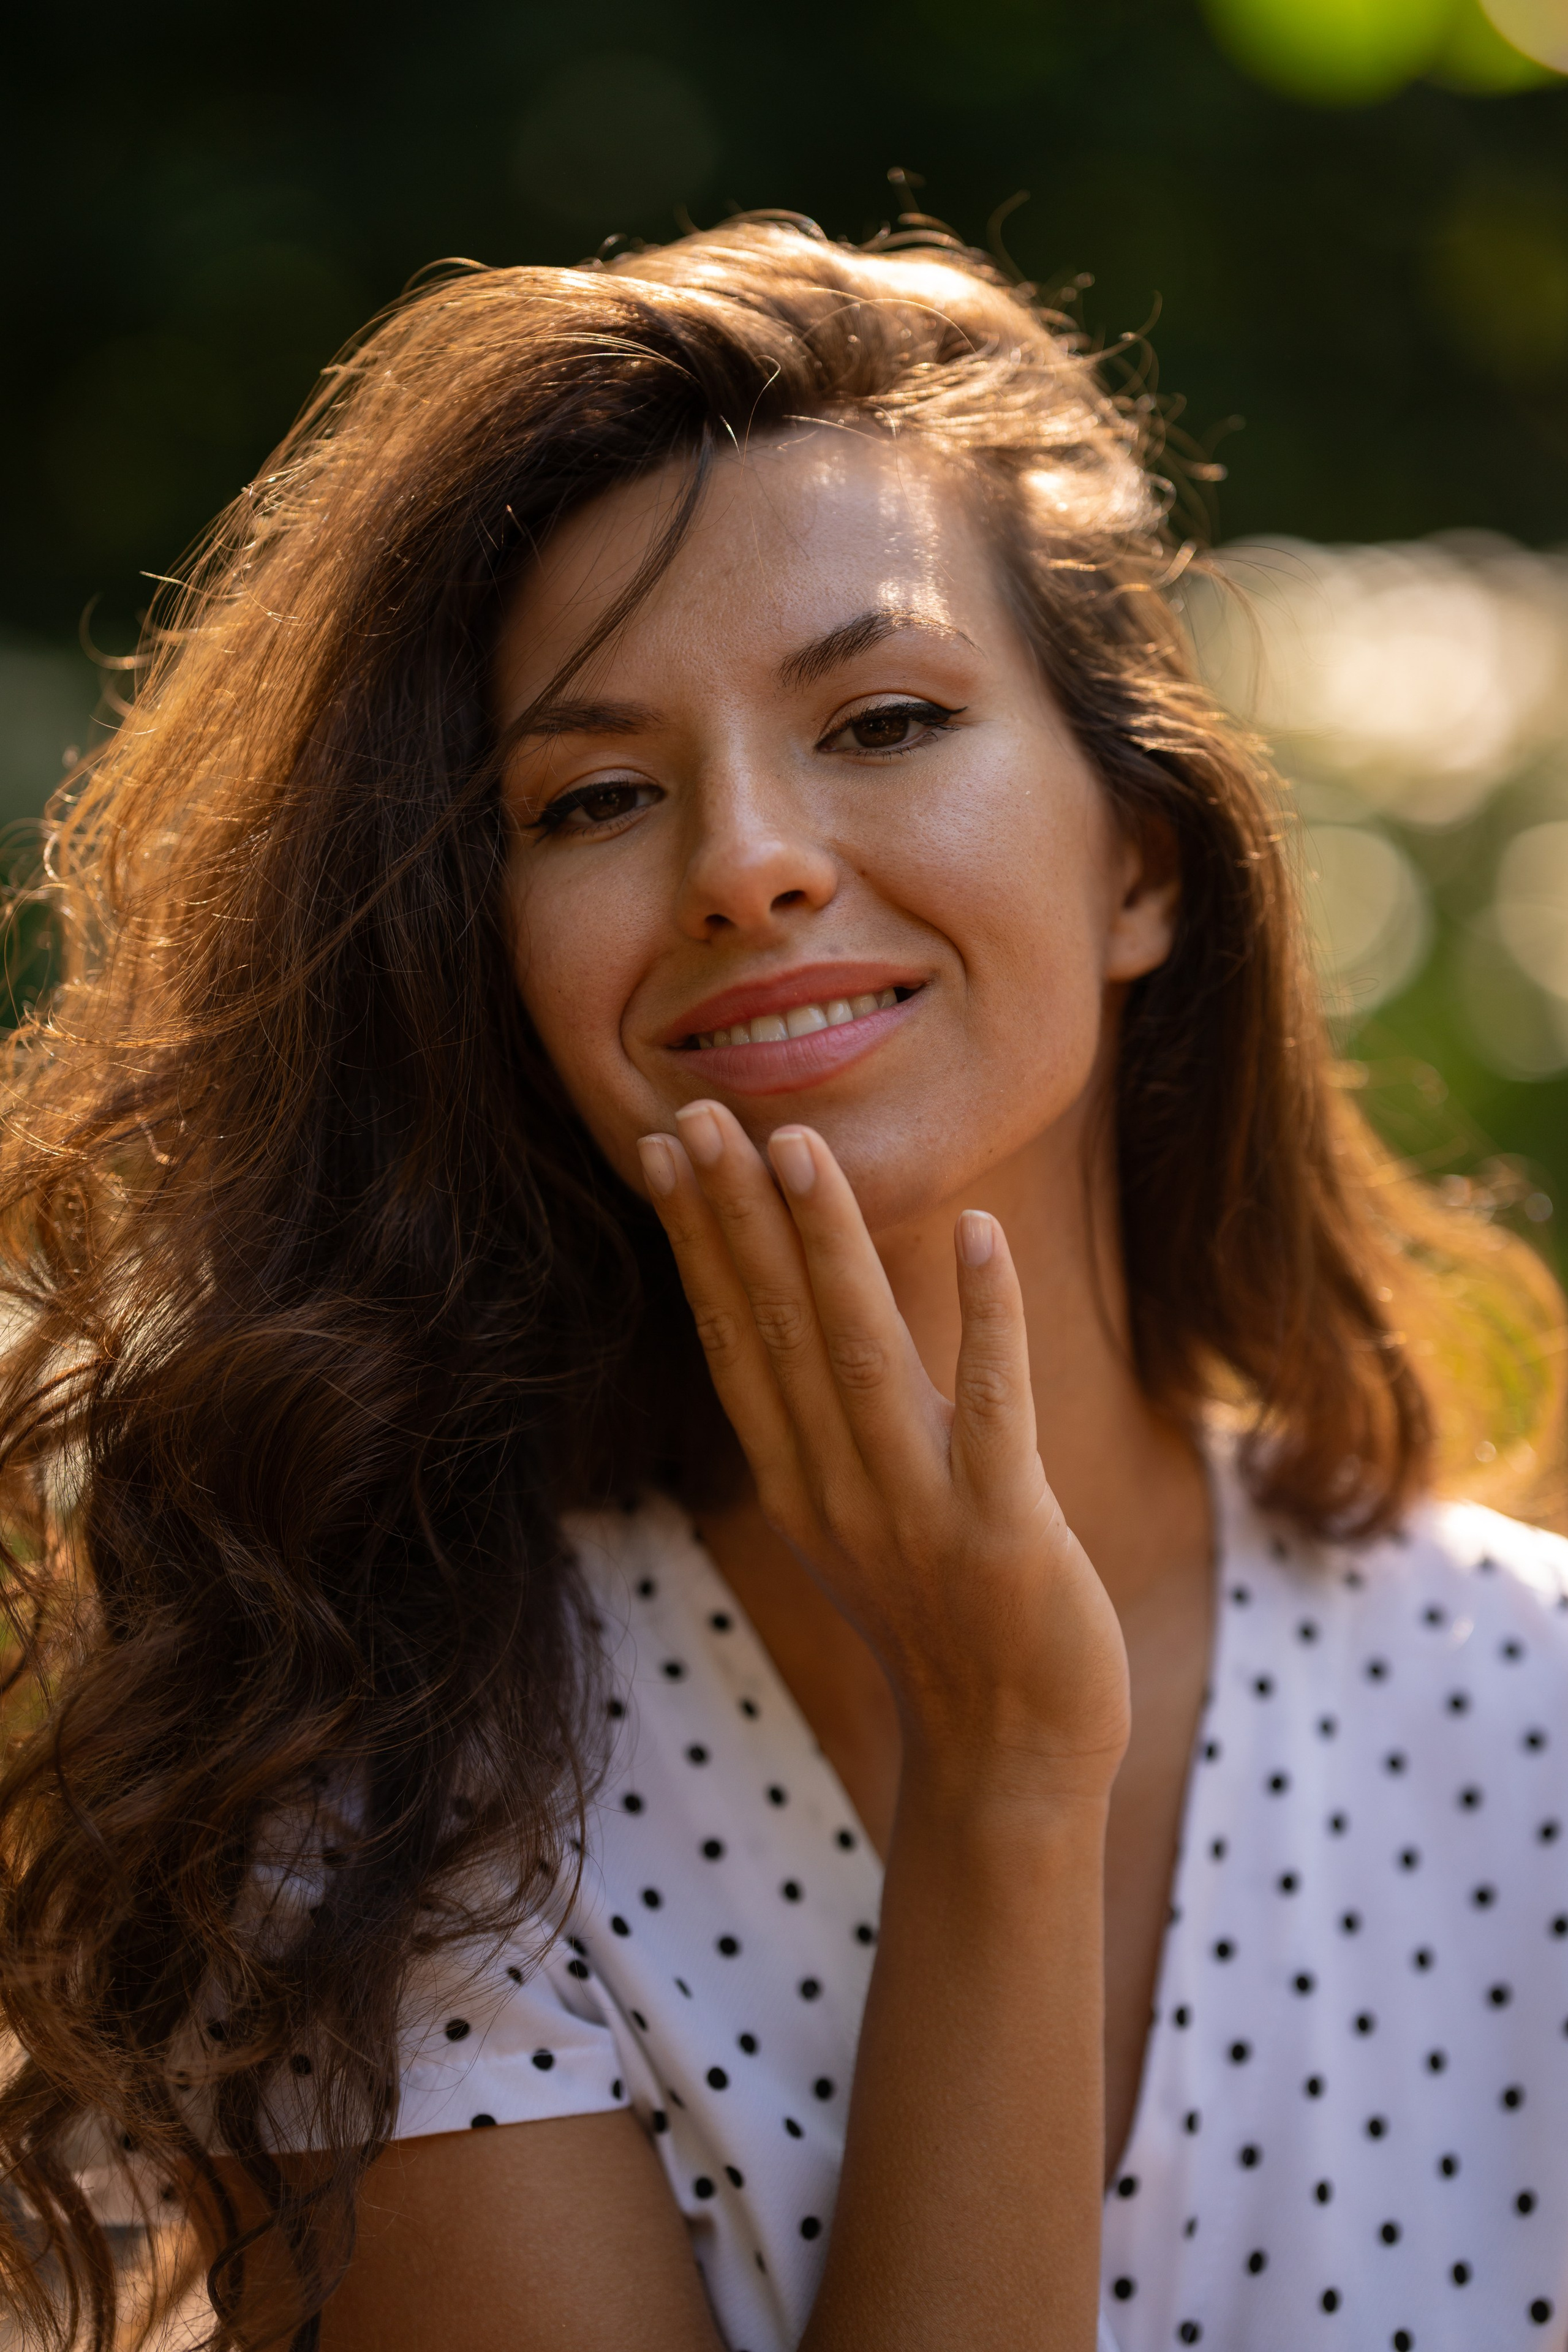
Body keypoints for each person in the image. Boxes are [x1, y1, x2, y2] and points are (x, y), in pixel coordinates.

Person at [0, 216, 1564, 2352]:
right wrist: (1006, 1770)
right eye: (598, 796)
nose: (747, 861)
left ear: (1141, 857)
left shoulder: (1533, 1714)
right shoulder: (379, 1805)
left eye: (887, 718)